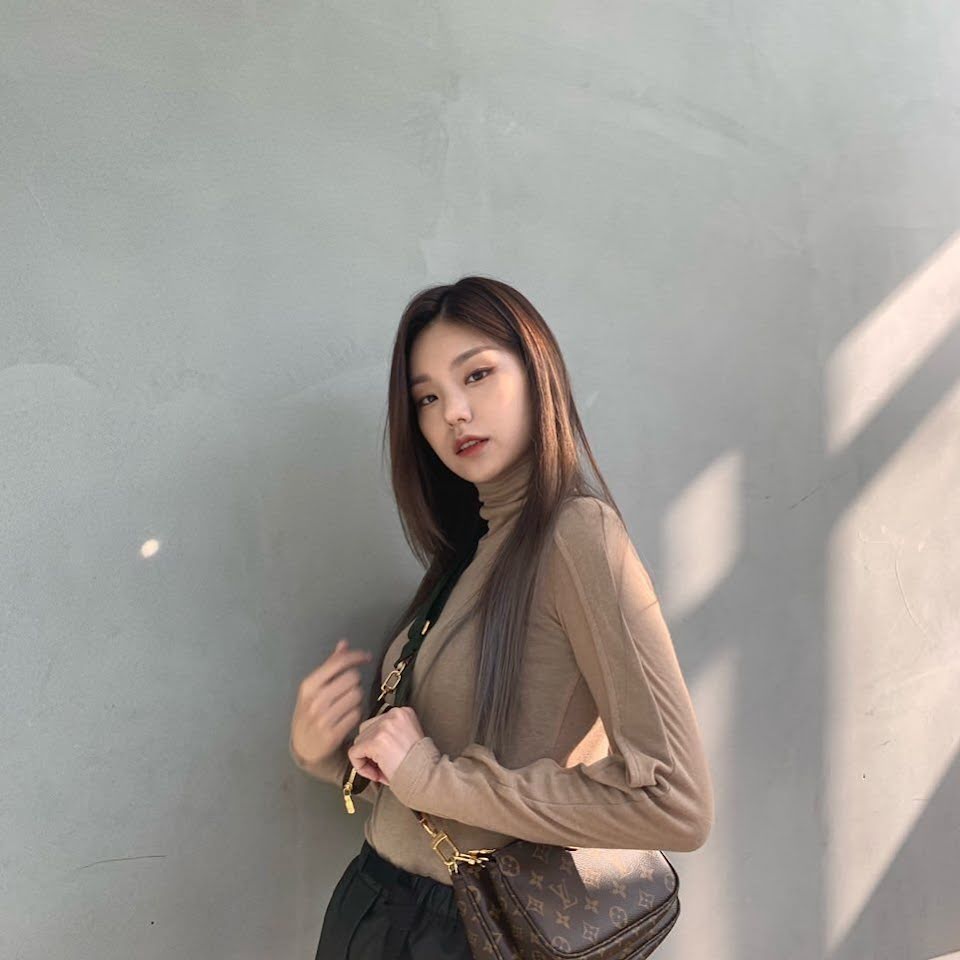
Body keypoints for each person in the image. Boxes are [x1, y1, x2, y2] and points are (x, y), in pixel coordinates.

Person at [289, 276, 715, 959]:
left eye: (477, 374)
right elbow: (434, 800)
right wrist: (331, 755)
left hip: (468, 929)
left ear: (538, 372)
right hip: (372, 909)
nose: (454, 413)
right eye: (427, 398)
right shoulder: (466, 555)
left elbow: (674, 802)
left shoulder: (578, 537)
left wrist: (430, 775)